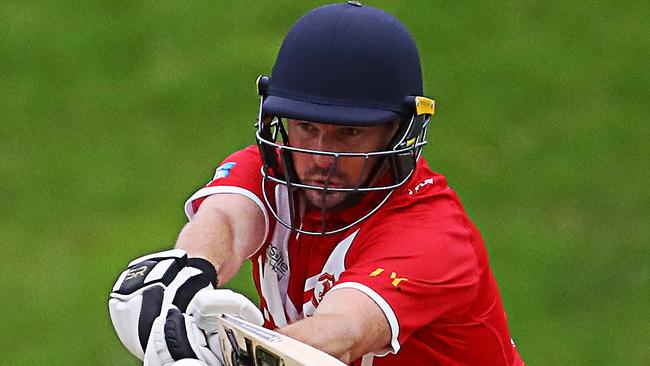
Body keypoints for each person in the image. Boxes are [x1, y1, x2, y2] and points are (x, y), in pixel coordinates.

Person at [109, 2, 525, 365]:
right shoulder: (275, 169)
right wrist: (186, 275)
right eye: (306, 127)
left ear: (398, 132)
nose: (321, 158)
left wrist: (228, 355)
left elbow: (342, 332)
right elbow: (226, 222)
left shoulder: (434, 235)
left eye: (349, 133)